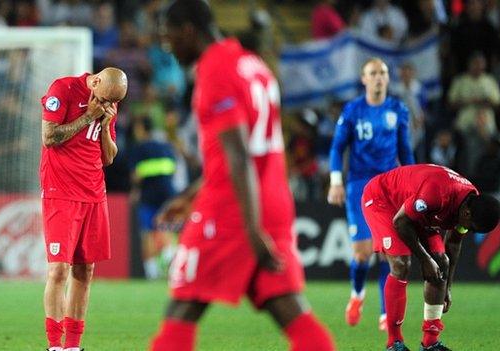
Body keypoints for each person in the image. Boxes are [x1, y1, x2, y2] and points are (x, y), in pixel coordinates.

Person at [149, 1, 335, 351]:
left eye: (168, 36)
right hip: (272, 199)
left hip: (233, 209)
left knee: (183, 305)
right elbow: (248, 151)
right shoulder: (253, 65)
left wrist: (252, 229)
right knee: (291, 311)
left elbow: (239, 155)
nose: (167, 45)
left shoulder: (215, 69)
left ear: (188, 30)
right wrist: (190, 196)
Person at [361, 164, 500, 351]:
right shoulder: (437, 193)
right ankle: (394, 343)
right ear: (466, 213)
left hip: (415, 210)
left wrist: (448, 287)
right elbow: (401, 222)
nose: (469, 230)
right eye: (472, 227)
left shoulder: (470, 201)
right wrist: (425, 259)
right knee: (401, 264)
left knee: (442, 264)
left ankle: (430, 343)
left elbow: (453, 242)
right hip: (383, 199)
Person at [40, 67, 127, 351]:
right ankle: (55, 345)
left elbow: (109, 158)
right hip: (61, 193)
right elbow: (50, 137)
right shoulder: (63, 89)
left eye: (111, 103)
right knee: (58, 271)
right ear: (96, 80)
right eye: (103, 99)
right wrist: (88, 116)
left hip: (94, 195)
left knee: (84, 271)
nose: (106, 105)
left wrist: (103, 125)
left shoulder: (109, 101)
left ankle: (73, 346)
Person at [327, 57, 415, 330]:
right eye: (373, 73)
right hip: (359, 185)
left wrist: (412, 184)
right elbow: (336, 148)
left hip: (389, 186)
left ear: (388, 78)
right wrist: (335, 181)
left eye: (383, 73)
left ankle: (384, 313)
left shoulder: (398, 109)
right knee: (363, 253)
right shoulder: (353, 110)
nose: (378, 77)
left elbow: (405, 151)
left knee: (388, 253)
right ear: (364, 79)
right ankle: (357, 295)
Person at [128, 116, 177, 279]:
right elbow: (173, 169)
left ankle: (152, 274)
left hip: (148, 196)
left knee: (147, 234)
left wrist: (135, 189)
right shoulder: (165, 146)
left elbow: (136, 176)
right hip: (168, 195)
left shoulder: (139, 148)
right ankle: (172, 268)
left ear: (141, 128)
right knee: (165, 231)